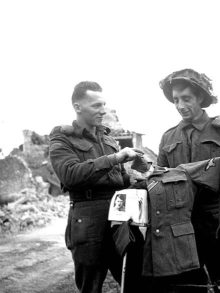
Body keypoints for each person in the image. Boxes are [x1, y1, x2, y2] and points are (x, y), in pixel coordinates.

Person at [156, 69, 220, 290]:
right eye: (175, 100)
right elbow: (161, 184)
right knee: (189, 286)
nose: (180, 105)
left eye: (186, 98)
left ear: (200, 97)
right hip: (182, 230)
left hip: (219, 227)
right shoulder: (168, 137)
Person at [49, 81, 144, 293]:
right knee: (90, 286)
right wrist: (115, 157)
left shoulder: (108, 139)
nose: (103, 111)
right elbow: (70, 175)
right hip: (88, 219)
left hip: (119, 217)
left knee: (133, 281)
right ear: (77, 106)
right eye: (96, 106)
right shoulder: (62, 138)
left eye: (104, 104)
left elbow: (118, 178)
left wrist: (136, 176)